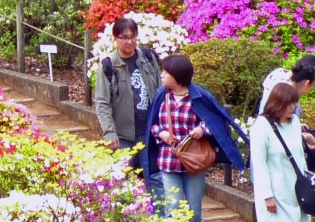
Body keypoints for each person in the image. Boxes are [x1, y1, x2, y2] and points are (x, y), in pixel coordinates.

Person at [141, 53, 244, 222]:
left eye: (165, 72)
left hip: (194, 162)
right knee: (173, 207)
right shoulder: (162, 95)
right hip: (169, 160)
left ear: (176, 76)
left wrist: (202, 130)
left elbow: (215, 123)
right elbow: (152, 124)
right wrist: (161, 133)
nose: (162, 75)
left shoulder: (199, 97)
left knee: (194, 211)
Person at [93, 16, 166, 153]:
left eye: (133, 36)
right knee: (124, 173)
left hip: (150, 131)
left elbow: (160, 90)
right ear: (115, 38)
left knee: (150, 173)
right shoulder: (108, 67)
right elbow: (102, 103)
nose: (129, 41)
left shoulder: (148, 58)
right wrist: (110, 134)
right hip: (123, 136)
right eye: (124, 37)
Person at [250, 80, 308, 222]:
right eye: (289, 104)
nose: (294, 107)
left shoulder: (294, 122)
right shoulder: (261, 126)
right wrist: (267, 195)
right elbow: (259, 164)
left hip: (297, 191)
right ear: (277, 104)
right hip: (275, 194)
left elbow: (299, 157)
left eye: (295, 103)